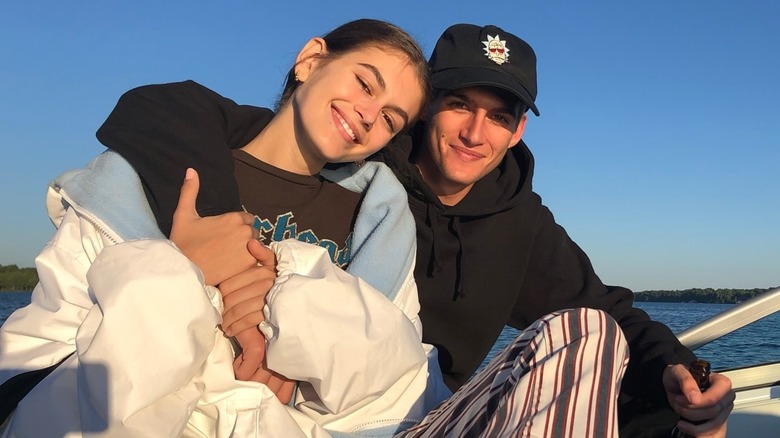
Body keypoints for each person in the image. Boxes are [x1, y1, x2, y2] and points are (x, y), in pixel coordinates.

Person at [89, 23, 736, 437]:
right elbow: (166, 109)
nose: (477, 133)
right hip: (305, 411)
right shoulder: (354, 162)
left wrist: (684, 373)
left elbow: (605, 311)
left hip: (432, 418)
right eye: (459, 105)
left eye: (500, 116)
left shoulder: (521, 224)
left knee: (593, 343)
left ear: (520, 130)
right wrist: (226, 242)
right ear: (425, 111)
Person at [0, 18, 450, 437]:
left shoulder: (375, 221)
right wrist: (190, 268)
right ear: (310, 60)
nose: (370, 115)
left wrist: (296, 358)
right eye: (365, 83)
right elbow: (62, 314)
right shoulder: (164, 164)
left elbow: (391, 370)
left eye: (391, 119)